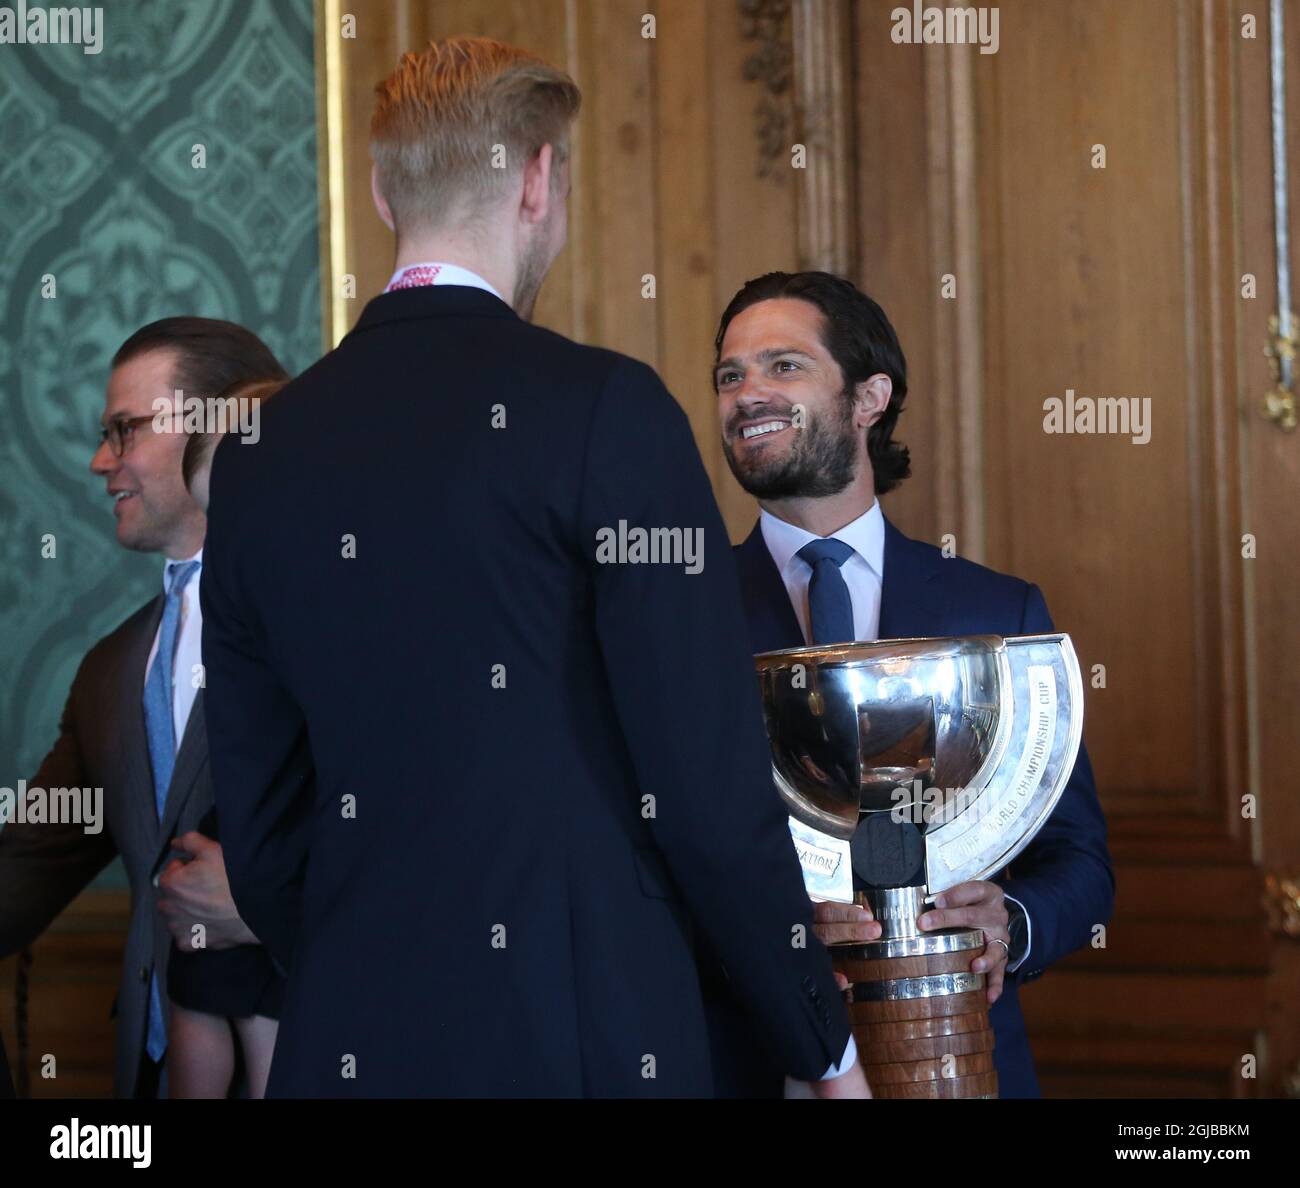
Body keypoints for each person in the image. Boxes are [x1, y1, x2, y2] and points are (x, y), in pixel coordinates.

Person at [200, 37, 867, 1098]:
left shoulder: (253, 454)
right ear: (541, 180)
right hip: (588, 1039)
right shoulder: (609, 410)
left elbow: (265, 817)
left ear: (380, 191)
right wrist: (820, 1041)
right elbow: (702, 786)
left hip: (345, 1039)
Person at [709, 270, 1115, 1098]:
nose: (749, 393)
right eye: (730, 375)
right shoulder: (679, 615)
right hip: (754, 1064)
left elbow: (1082, 861)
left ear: (870, 398)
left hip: (961, 1057)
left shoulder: (996, 608)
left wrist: (1014, 926)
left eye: (784, 366)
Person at [0, 318, 288, 1097]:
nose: (101, 463)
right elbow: (22, 868)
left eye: (124, 431)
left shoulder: (342, 622)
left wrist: (268, 901)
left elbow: (435, 841)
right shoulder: (107, 672)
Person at [162, 378, 289, 1099]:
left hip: (301, 865)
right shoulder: (232, 610)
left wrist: (261, 903)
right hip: (242, 829)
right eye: (219, 523)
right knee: (200, 974)